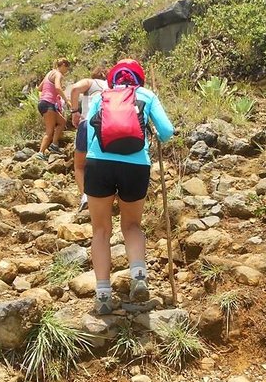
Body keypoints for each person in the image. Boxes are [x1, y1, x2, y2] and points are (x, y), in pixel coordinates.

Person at [84, 59, 174, 315]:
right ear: (139, 78)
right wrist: (152, 132)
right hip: (136, 165)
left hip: (98, 163)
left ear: (114, 78)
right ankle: (139, 277)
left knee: (101, 230)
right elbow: (168, 131)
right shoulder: (147, 94)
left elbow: (88, 131)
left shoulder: (102, 96)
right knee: (132, 226)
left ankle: (102, 294)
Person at [70, 66, 108, 212]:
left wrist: (74, 111)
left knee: (80, 165)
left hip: (88, 124)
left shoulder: (90, 82)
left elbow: (74, 89)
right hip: (106, 127)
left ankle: (85, 196)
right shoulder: (111, 87)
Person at [37, 58, 71, 160]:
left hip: (44, 103)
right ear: (64, 65)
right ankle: (40, 153)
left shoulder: (49, 73)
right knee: (49, 131)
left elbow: (39, 88)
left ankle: (54, 145)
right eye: (67, 68)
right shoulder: (58, 74)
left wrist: (42, 98)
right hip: (48, 104)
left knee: (62, 122)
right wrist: (67, 100)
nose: (67, 71)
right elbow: (57, 87)